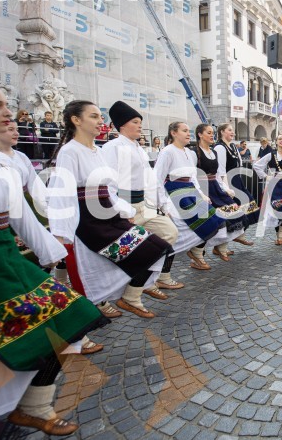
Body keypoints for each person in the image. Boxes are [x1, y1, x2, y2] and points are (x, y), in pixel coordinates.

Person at [0, 79, 106, 435]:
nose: (7, 111)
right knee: (15, 342)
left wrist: (52, 249)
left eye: (4, 104)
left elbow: (19, 215)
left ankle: (33, 405)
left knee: (71, 321)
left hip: (6, 259)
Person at [49, 101, 172, 320]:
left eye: (100, 116)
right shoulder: (70, 152)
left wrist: (123, 210)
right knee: (90, 268)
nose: (101, 121)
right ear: (76, 120)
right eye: (94, 116)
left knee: (156, 247)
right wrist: (61, 234)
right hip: (88, 219)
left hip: (108, 212)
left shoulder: (96, 151)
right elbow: (61, 192)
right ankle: (88, 314)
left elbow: (108, 189)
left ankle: (129, 295)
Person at [101, 101, 184, 300]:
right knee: (116, 253)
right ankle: (105, 299)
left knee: (169, 234)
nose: (140, 125)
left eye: (140, 122)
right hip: (125, 206)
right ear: (122, 125)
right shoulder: (112, 147)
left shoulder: (140, 148)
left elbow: (151, 180)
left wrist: (162, 204)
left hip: (145, 205)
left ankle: (139, 287)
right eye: (135, 122)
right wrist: (121, 211)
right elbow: (107, 183)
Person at [155, 122, 227, 270]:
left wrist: (200, 194)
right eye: (184, 130)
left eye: (189, 131)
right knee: (180, 229)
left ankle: (196, 251)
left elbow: (193, 176)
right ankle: (164, 272)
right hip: (175, 192)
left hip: (190, 191)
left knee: (216, 221)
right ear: (174, 133)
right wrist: (162, 204)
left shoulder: (188, 152)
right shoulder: (167, 151)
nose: (189, 133)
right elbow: (157, 178)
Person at [194, 124, 245, 261]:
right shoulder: (195, 152)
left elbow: (218, 174)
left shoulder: (213, 152)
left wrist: (225, 188)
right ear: (200, 134)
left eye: (212, 133)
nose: (212, 135)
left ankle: (221, 247)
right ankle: (198, 253)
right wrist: (200, 193)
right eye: (209, 133)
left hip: (215, 186)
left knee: (233, 208)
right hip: (203, 187)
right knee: (211, 219)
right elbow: (192, 175)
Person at [214, 123, 259, 241]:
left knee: (249, 206)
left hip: (237, 180)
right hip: (227, 181)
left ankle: (239, 234)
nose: (233, 132)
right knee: (231, 211)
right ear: (222, 132)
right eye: (229, 130)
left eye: (233, 130)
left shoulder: (233, 146)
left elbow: (239, 163)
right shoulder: (220, 147)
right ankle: (224, 243)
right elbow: (221, 170)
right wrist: (226, 188)